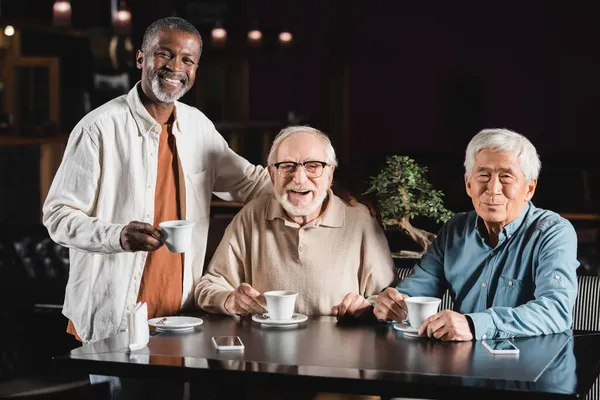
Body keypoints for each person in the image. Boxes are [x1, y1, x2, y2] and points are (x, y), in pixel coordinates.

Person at [42, 16, 277, 344]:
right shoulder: (98, 129)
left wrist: (323, 196)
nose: (175, 67)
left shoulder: (198, 127)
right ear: (141, 58)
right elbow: (57, 217)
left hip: (183, 317)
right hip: (112, 319)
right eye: (164, 54)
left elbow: (252, 183)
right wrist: (118, 236)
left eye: (187, 60)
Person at [374, 128, 579, 341]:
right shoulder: (455, 229)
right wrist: (393, 304)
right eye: (483, 175)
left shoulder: (553, 233)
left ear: (529, 188)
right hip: (461, 363)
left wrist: (474, 325)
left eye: (506, 177)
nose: (493, 188)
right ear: (469, 184)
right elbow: (415, 292)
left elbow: (556, 311)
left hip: (533, 366)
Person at [196, 125, 396, 320]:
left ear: (330, 175)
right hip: (264, 349)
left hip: (339, 350)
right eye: (287, 166)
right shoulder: (251, 216)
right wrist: (230, 300)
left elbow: (388, 299)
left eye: (313, 166)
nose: (299, 179)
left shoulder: (360, 220)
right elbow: (209, 286)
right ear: (272, 175)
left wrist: (368, 307)